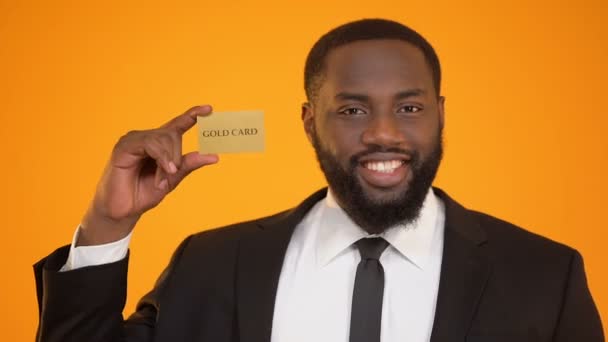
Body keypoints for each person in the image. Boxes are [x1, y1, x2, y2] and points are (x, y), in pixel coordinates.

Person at [34, 18, 604, 342]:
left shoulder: (545, 278)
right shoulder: (211, 265)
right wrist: (109, 222)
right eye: (352, 110)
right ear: (309, 122)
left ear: (441, 115)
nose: (384, 134)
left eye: (409, 108)